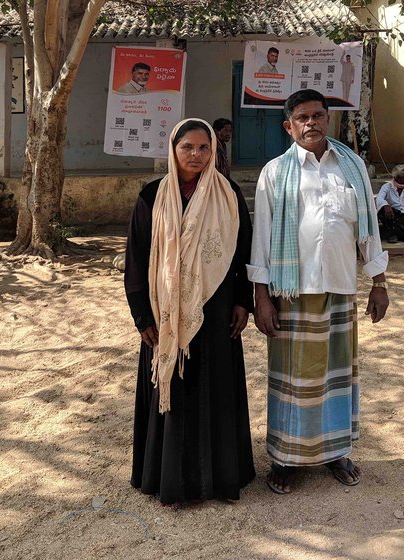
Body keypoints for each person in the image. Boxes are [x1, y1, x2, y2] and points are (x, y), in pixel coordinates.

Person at [247, 89, 390, 494]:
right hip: (293, 292)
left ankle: (336, 452)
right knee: (294, 380)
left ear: (328, 120)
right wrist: (261, 297)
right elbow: (263, 236)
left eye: (319, 116)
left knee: (337, 377)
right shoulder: (275, 172)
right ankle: (286, 458)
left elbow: (368, 228)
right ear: (288, 125)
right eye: (303, 117)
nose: (312, 123)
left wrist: (378, 282)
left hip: (341, 286)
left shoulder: (351, 166)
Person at [125, 118, 255, 505]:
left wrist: (242, 302)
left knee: (215, 385)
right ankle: (168, 477)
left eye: (204, 148)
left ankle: (219, 476)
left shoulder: (228, 193)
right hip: (164, 313)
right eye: (188, 147)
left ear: (213, 151)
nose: (196, 155)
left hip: (215, 313)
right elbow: (136, 259)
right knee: (172, 389)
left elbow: (243, 252)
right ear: (173, 149)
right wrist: (142, 317)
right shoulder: (151, 196)